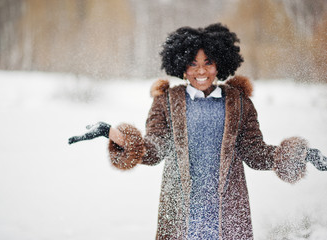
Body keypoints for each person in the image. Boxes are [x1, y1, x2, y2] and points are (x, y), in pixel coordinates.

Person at [68, 23, 326, 239]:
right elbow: (155, 149)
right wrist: (112, 133)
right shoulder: (167, 101)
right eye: (193, 63)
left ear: (220, 65)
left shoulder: (238, 102)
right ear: (181, 66)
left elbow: (255, 153)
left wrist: (299, 154)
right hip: (181, 214)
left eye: (208, 62)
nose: (201, 70)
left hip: (228, 214)